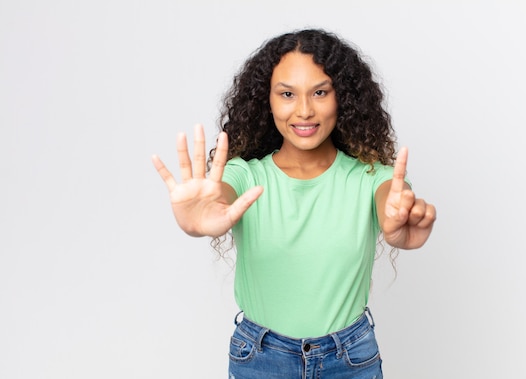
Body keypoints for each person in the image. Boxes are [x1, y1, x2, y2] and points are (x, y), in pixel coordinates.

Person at [152, 29, 436, 379]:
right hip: (261, 358)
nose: (304, 110)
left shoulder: (371, 177)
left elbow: (390, 198)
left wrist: (400, 216)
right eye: (287, 94)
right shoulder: (244, 175)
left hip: (350, 360)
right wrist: (200, 217)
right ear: (266, 100)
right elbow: (221, 194)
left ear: (342, 98)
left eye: (320, 92)